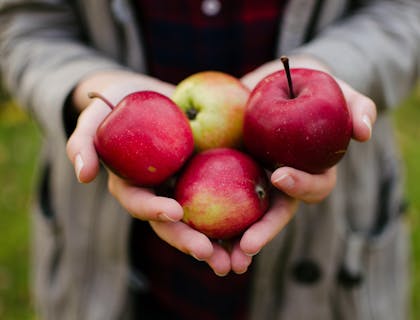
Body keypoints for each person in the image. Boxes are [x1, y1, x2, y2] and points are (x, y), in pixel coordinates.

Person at [0, 0, 419, 319]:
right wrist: (90, 85)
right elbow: (26, 24)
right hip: (116, 257)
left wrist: (332, 67)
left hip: (328, 248)